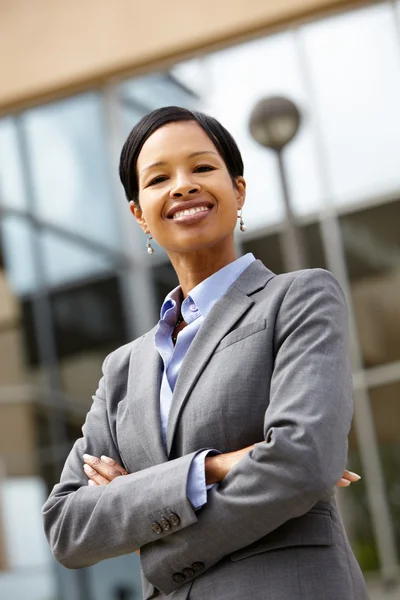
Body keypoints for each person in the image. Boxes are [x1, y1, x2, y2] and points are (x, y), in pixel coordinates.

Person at [42, 106, 370, 600]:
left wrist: (157, 542)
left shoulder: (298, 298)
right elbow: (66, 526)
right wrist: (213, 466)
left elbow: (304, 462)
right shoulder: (123, 371)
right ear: (139, 214)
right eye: (158, 178)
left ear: (238, 190)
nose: (183, 186)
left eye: (201, 168)